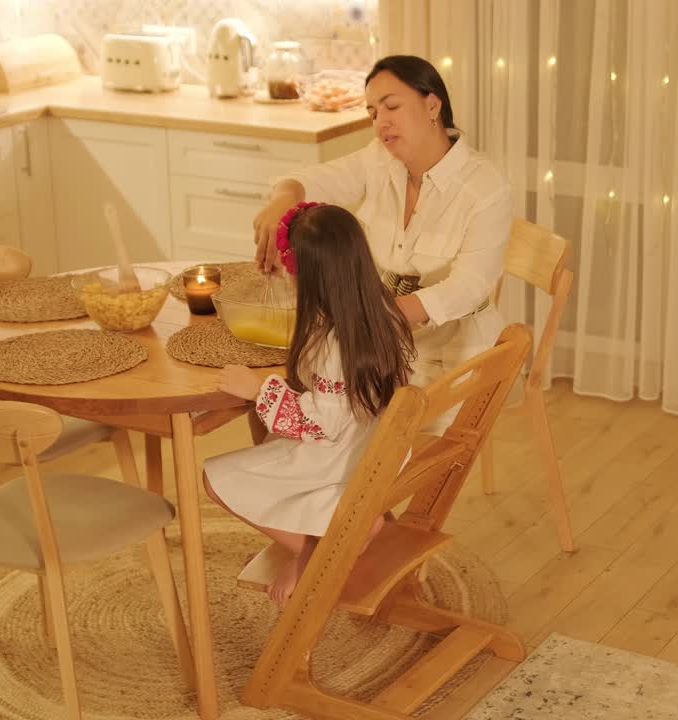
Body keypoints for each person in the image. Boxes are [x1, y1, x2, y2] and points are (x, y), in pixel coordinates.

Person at [252, 55, 511, 423]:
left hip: (454, 350)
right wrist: (283, 199)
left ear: (432, 104)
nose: (380, 123)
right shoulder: (380, 160)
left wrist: (375, 317)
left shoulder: (485, 187)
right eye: (373, 112)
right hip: (382, 341)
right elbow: (316, 180)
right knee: (285, 397)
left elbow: (471, 285)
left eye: (391, 106)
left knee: (363, 430)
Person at [205, 202, 415, 604]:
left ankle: (316, 554)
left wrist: (259, 391)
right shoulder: (379, 310)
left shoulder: (332, 344)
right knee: (266, 446)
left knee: (215, 479)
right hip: (373, 446)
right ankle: (322, 540)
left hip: (341, 458)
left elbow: (323, 425)